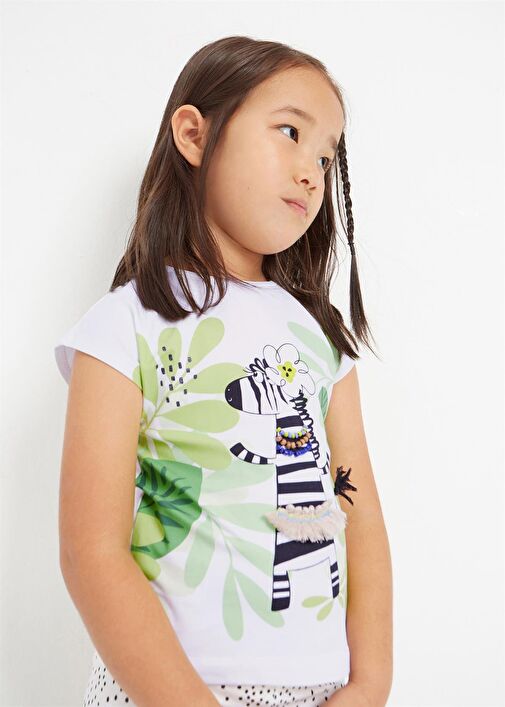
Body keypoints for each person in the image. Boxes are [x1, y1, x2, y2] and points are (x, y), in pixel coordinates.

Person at [55, 35, 393, 707]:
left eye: (325, 156)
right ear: (194, 134)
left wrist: (369, 683)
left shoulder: (320, 337)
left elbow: (357, 513)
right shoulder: (125, 324)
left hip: (318, 689)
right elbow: (91, 550)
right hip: (167, 689)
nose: (312, 173)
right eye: (290, 132)